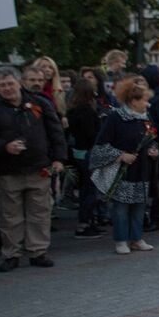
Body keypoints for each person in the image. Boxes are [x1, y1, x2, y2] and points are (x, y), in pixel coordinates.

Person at [0, 67, 67, 272]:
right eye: (2, 85)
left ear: (19, 83)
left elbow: (56, 132)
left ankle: (38, 251)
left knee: (40, 213)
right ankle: (11, 253)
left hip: (39, 168)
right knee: (9, 216)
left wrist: (59, 158)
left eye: (10, 83)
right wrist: (4, 146)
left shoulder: (40, 103)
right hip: (7, 170)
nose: (7, 88)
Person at [89, 78, 159, 255]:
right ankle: (121, 240)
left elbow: (152, 140)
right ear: (134, 101)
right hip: (121, 170)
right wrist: (120, 155)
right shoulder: (116, 118)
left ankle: (136, 238)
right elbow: (100, 146)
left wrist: (153, 149)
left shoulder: (145, 118)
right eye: (144, 100)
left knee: (139, 205)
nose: (148, 104)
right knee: (120, 207)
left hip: (142, 168)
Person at [64, 80, 105, 239]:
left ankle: (87, 221)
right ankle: (85, 223)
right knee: (89, 190)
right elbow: (90, 134)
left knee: (85, 189)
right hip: (88, 152)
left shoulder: (72, 110)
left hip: (78, 152)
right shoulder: (87, 111)